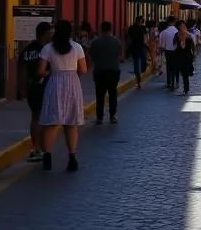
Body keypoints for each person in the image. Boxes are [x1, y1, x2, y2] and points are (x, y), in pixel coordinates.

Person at [37, 19, 87, 171]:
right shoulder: (77, 47)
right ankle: (72, 157)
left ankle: (47, 157)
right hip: (72, 83)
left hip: (55, 82)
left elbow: (40, 71)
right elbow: (84, 70)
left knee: (51, 123)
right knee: (71, 123)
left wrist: (50, 73)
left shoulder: (48, 48)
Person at [18, 21, 51, 162]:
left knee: (35, 117)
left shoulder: (27, 50)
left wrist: (23, 88)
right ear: (44, 34)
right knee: (44, 119)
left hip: (32, 87)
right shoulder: (47, 50)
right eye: (50, 33)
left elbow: (23, 71)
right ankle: (40, 148)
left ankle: (37, 147)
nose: (52, 35)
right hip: (45, 87)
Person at [89, 21, 123, 124]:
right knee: (113, 93)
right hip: (113, 70)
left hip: (100, 71)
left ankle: (99, 117)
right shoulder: (117, 41)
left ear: (101, 29)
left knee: (100, 94)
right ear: (111, 29)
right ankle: (112, 115)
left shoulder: (95, 42)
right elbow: (119, 55)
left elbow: (92, 57)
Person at [173, 20, 197, 94]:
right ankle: (185, 88)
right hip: (184, 55)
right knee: (184, 73)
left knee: (184, 73)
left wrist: (194, 53)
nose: (183, 27)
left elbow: (174, 45)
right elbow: (193, 45)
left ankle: (185, 88)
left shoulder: (179, 35)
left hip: (183, 56)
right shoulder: (187, 35)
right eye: (182, 26)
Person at [126, 15, 148, 89]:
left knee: (136, 63)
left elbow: (129, 39)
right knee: (143, 61)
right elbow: (145, 37)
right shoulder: (142, 28)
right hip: (140, 47)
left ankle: (138, 79)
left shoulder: (131, 28)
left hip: (135, 48)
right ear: (141, 21)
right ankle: (139, 78)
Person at [158, 18, 179, 90]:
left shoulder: (163, 32)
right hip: (176, 52)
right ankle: (174, 82)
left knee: (168, 67)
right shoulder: (177, 31)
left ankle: (168, 82)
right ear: (174, 22)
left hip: (167, 52)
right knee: (174, 67)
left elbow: (161, 46)